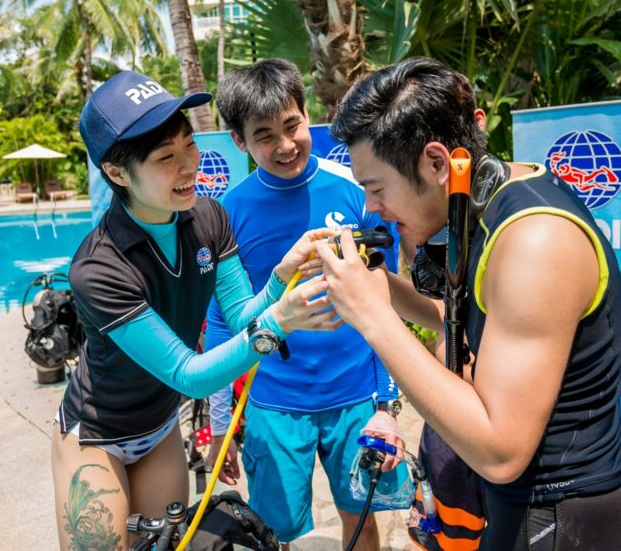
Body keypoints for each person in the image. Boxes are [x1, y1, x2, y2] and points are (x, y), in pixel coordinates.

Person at [316, 57, 621, 550]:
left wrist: (373, 319)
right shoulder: (489, 198)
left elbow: (501, 451)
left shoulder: (535, 241)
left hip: (559, 515)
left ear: (437, 163)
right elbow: (470, 324)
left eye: (376, 188)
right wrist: (380, 286)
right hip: (520, 505)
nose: (372, 207)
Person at [51, 70, 339, 550]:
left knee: (166, 546)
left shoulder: (208, 216)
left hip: (160, 424)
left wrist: (280, 278)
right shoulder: (98, 268)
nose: (190, 166)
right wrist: (281, 320)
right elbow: (190, 374)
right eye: (167, 157)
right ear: (118, 173)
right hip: (97, 434)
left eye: (189, 145)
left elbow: (244, 315)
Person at [205, 58, 404, 551]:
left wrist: (388, 403)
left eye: (292, 125)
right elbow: (219, 321)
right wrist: (216, 427)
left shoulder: (354, 189)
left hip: (355, 395)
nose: (285, 145)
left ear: (305, 112)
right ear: (239, 141)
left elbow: (389, 299)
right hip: (273, 402)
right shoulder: (228, 212)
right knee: (272, 535)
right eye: (264, 135)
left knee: (361, 524)